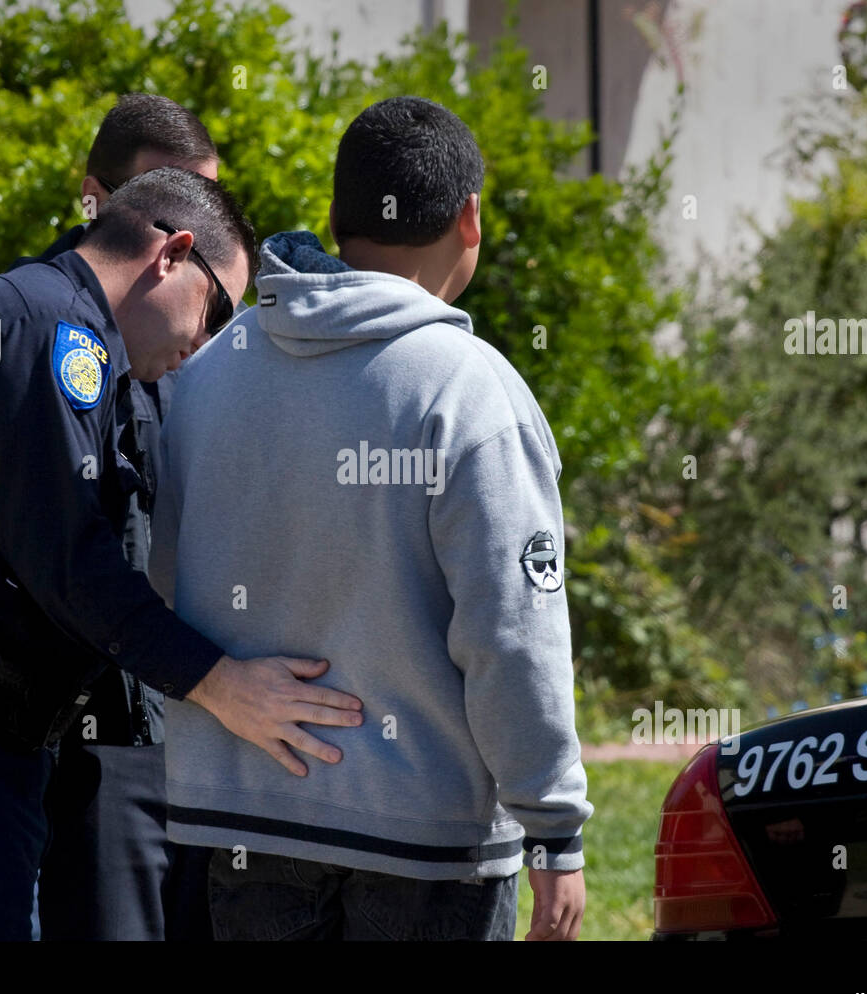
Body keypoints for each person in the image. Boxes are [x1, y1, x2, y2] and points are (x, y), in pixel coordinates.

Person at [0, 166, 362, 941]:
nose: (203, 346)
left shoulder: (57, 327)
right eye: (216, 311)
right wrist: (223, 685)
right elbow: (70, 565)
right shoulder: (48, 329)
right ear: (172, 253)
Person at [150, 96, 592, 941]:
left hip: (240, 825)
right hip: (429, 845)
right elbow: (511, 632)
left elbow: (161, 585)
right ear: (469, 218)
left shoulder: (204, 373)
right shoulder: (470, 390)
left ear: (335, 217)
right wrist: (554, 825)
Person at [11, 94, 221, 942]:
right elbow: (68, 555)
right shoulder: (45, 328)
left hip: (193, 715)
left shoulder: (206, 329)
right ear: (97, 200)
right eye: (168, 203)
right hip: (91, 728)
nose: (192, 236)